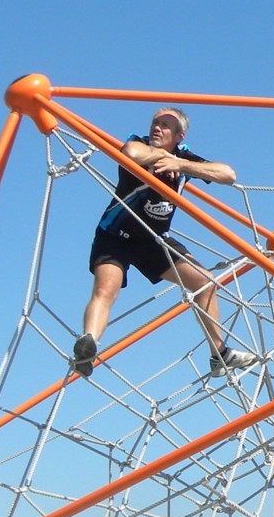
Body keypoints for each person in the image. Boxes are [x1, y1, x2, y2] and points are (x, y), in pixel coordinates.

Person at [74, 107, 258, 378]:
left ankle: (220, 354)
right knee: (106, 289)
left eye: (165, 125)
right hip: (115, 235)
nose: (157, 128)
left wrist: (180, 164)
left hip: (153, 240)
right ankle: (87, 346)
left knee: (205, 282)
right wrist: (162, 156)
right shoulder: (139, 143)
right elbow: (131, 154)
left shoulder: (183, 158)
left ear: (180, 135)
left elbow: (228, 174)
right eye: (155, 122)